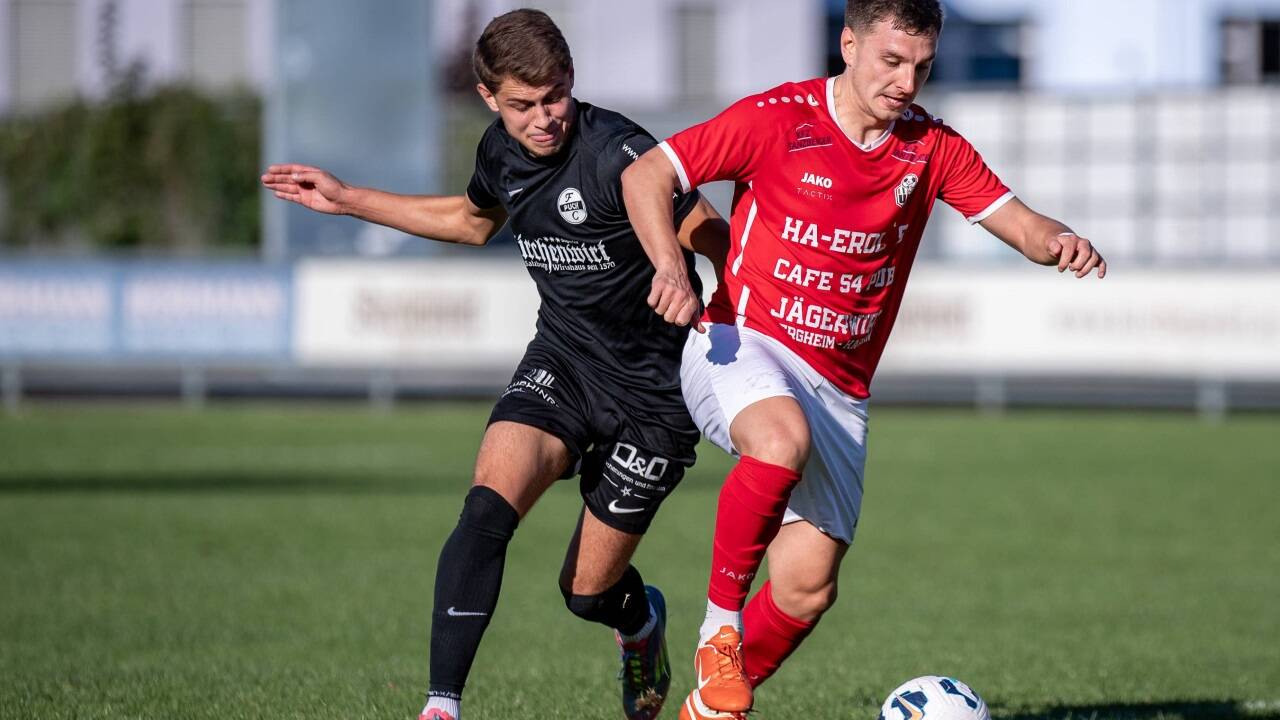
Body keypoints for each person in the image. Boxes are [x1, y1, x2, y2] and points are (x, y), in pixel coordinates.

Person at [621, 1, 1107, 718]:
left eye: (922, 66)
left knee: (806, 588)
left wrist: (1059, 239)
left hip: (840, 388)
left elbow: (1020, 221)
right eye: (891, 60)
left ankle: (708, 710)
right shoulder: (776, 119)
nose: (908, 81)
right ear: (848, 43)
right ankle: (717, 632)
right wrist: (670, 266)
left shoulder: (931, 147)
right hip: (739, 341)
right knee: (780, 440)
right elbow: (647, 175)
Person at [262, 10, 728, 720]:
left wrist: (691, 274)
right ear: (489, 97)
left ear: (571, 83)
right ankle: (441, 707)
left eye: (556, 97)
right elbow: (471, 223)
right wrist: (350, 199)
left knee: (585, 592)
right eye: (523, 104)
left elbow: (710, 231)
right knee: (485, 508)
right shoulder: (499, 152)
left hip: (656, 396)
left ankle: (638, 623)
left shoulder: (620, 151)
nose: (544, 118)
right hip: (565, 363)